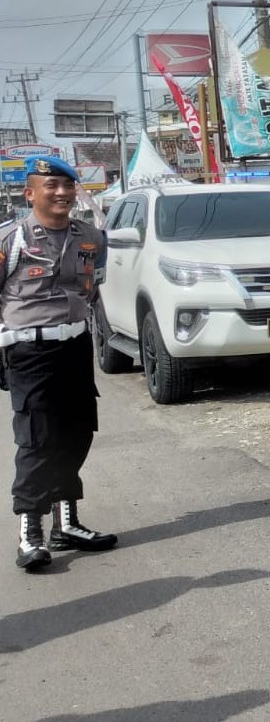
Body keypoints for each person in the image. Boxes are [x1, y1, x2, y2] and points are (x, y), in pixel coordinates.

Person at [5, 156, 116, 570]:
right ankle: (30, 534)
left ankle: (66, 523)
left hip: (74, 345)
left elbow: (93, 287)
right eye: (50, 186)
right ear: (30, 192)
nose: (61, 193)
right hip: (28, 351)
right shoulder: (11, 239)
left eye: (67, 186)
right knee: (37, 439)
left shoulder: (90, 236)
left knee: (75, 433)